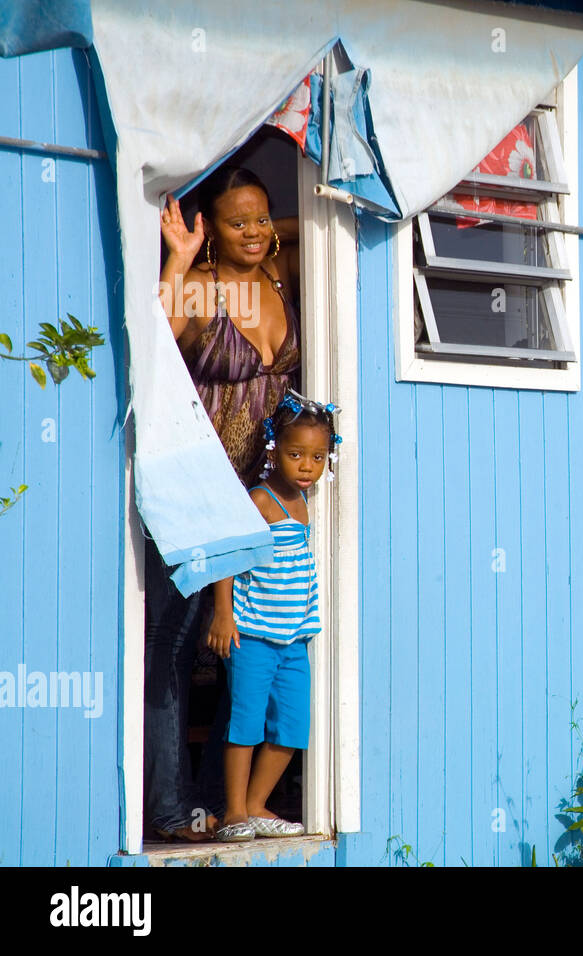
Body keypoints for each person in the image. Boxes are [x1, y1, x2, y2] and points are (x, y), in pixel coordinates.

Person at [145, 166, 301, 842]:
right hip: (199, 488)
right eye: (238, 222)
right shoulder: (206, 286)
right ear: (213, 231)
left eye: (262, 218)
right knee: (178, 645)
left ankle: (226, 805)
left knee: (254, 646)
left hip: (260, 499)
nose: (256, 232)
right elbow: (160, 328)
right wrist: (183, 257)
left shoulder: (279, 277)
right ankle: (172, 811)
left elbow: (301, 228)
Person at [207, 392, 340, 841]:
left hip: (293, 638)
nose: (307, 465)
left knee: (292, 727)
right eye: (295, 454)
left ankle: (259, 804)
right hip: (252, 636)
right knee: (245, 722)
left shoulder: (306, 503)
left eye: (317, 456)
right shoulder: (261, 501)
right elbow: (228, 555)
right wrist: (223, 613)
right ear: (273, 451)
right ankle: (234, 812)